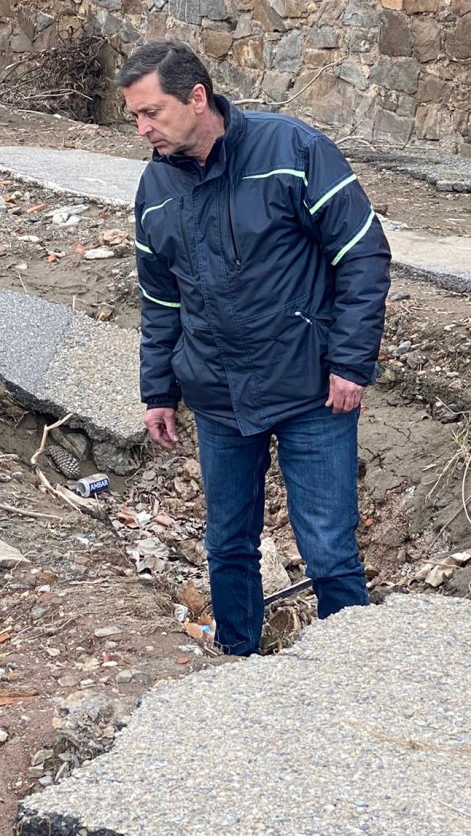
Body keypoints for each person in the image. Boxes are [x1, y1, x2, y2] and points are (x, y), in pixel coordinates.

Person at [119, 40, 391, 656]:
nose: (142, 130)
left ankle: (355, 678)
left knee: (327, 545)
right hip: (217, 397)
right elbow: (161, 299)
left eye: (152, 112)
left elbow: (362, 255)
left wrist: (350, 362)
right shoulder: (155, 187)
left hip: (310, 390)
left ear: (197, 97)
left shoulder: (293, 150)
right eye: (135, 116)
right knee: (228, 542)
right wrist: (158, 389)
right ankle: (238, 665)